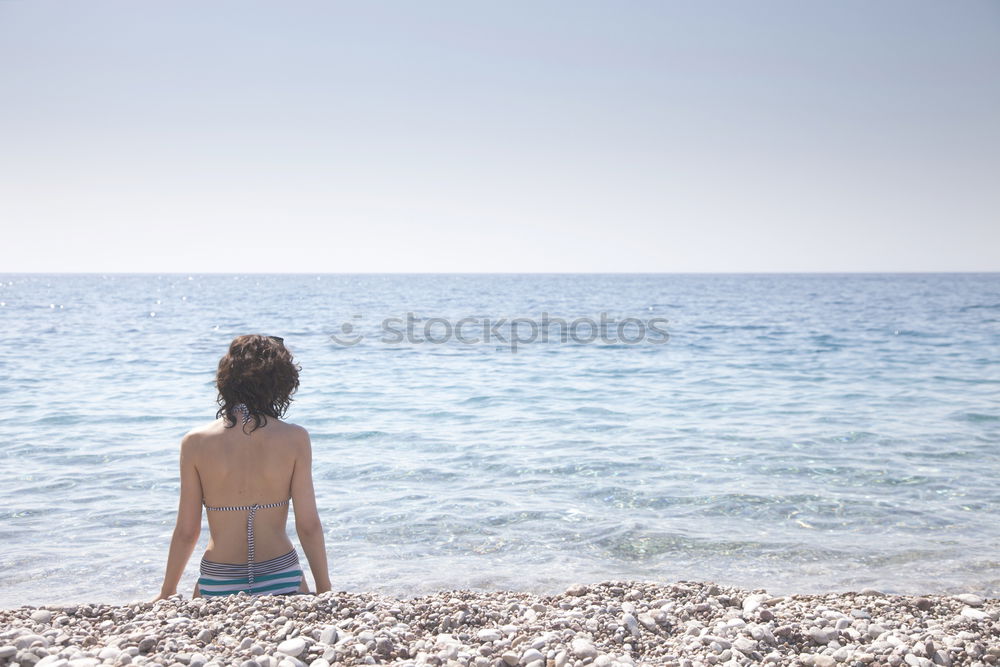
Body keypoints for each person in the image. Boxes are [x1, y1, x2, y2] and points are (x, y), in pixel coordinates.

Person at [153, 334, 331, 599]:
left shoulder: (195, 442)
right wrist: (325, 589)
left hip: (219, 579)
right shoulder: (295, 438)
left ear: (226, 380)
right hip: (282, 576)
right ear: (281, 383)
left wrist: (167, 593)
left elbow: (187, 531)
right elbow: (308, 525)